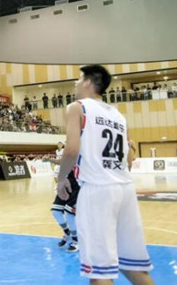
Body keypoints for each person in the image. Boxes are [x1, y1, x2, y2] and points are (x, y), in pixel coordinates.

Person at [57, 65, 153, 284]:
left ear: (88, 82)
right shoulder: (118, 115)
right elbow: (129, 160)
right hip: (125, 190)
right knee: (133, 267)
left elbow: (71, 150)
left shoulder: (77, 107)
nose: (76, 84)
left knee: (99, 273)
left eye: (79, 79)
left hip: (98, 190)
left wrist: (61, 179)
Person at [47, 153, 80, 253]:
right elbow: (62, 161)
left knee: (69, 214)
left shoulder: (86, 152)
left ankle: (76, 240)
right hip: (66, 183)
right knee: (55, 211)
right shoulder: (71, 152)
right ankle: (67, 233)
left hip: (78, 187)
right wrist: (50, 160)